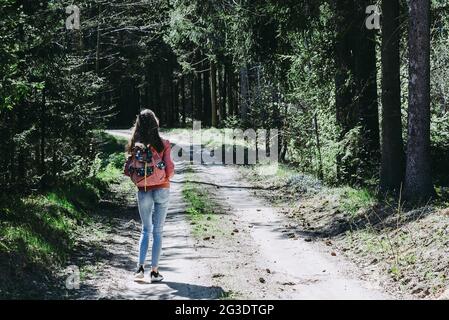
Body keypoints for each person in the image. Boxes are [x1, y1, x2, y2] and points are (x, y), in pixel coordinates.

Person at [125, 109, 175, 282]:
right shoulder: (163, 144)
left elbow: (127, 168)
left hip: (143, 189)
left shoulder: (134, 144)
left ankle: (139, 270)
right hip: (162, 188)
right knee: (158, 231)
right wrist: (164, 177)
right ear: (155, 123)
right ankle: (154, 272)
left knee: (146, 230)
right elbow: (170, 170)